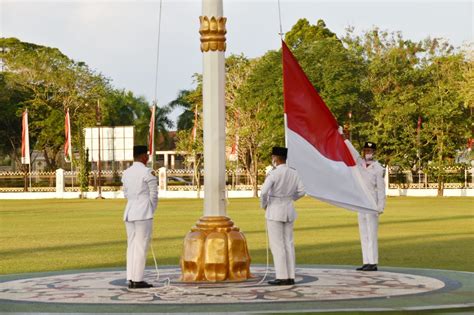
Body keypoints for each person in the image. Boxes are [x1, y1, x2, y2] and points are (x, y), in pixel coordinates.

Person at [260, 147, 305, 285]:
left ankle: (282, 276)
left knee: (277, 245)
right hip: (289, 209)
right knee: (288, 244)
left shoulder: (273, 174)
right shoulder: (294, 172)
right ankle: (290, 276)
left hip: (274, 209)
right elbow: (302, 191)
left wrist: (264, 205)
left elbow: (263, 192)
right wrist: (290, 198)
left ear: (275, 158)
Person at [345, 138, 386, 272]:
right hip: (361, 202)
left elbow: (381, 189)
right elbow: (352, 152)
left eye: (370, 151)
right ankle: (366, 261)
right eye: (366, 150)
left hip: (372, 202)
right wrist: (344, 139)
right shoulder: (359, 164)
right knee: (363, 233)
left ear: (374, 152)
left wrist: (381, 206)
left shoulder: (378, 168)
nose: (367, 153)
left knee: (372, 233)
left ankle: (373, 262)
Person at [121, 145, 158, 289]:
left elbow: (125, 193)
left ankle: (130, 277)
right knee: (141, 246)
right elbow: (154, 195)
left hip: (129, 211)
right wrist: (151, 209)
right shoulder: (147, 172)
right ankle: (138, 279)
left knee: (131, 245)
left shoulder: (127, 172)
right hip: (143, 212)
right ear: (144, 157)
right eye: (147, 155)